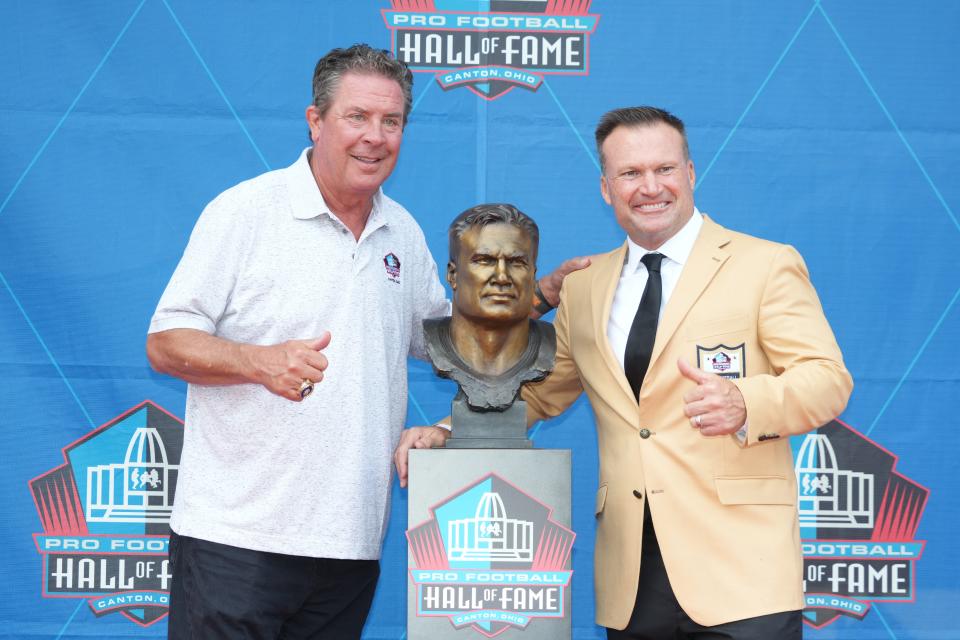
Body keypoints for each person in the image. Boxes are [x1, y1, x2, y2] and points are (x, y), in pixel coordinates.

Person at [146, 44, 586, 639]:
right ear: (316, 120)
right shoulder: (246, 212)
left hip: (351, 541)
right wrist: (257, 361)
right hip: (238, 539)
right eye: (357, 117)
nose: (375, 137)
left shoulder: (399, 229)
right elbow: (166, 342)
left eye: (392, 121)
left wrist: (542, 296)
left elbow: (451, 339)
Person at [395, 106, 853, 639]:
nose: (649, 187)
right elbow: (543, 394)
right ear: (606, 188)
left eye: (664, 169)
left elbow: (827, 379)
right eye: (630, 174)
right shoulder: (586, 285)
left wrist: (746, 402)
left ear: (690, 173)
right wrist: (451, 432)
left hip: (742, 571)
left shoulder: (765, 264)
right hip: (633, 579)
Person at [423, 203, 555, 413]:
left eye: (517, 262)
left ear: (533, 276)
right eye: (485, 261)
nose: (502, 277)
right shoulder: (432, 338)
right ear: (453, 275)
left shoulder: (547, 347)